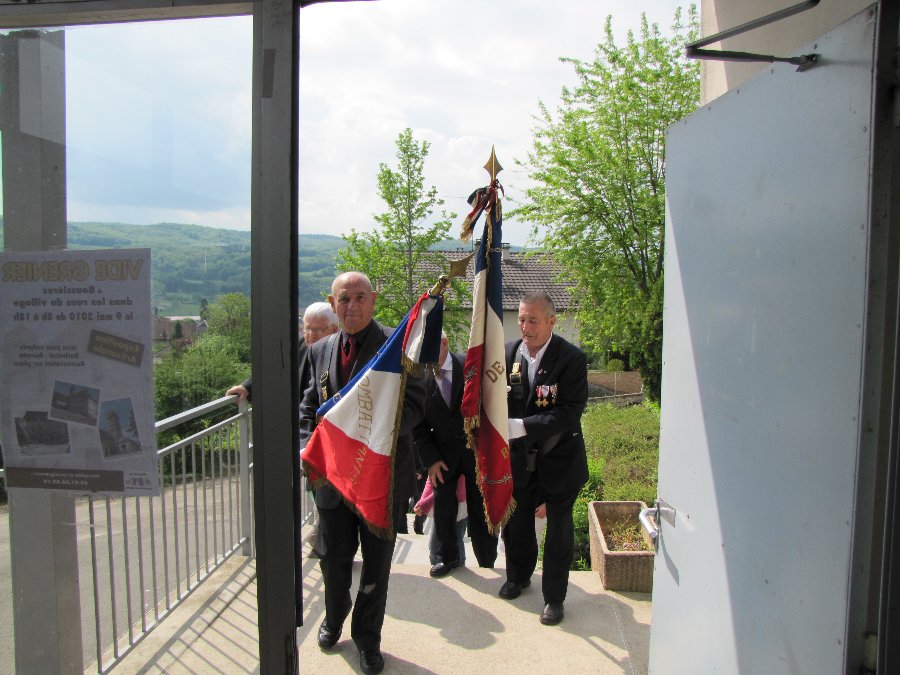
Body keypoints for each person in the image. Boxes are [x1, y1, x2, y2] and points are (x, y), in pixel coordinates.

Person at [299, 271, 425, 675]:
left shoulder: (397, 347)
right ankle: (334, 619)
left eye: (358, 297)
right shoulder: (320, 351)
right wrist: (306, 444)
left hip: (380, 482)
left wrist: (368, 438)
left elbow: (417, 405)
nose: (351, 306)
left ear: (373, 300)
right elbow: (306, 408)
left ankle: (368, 641)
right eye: (343, 299)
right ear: (333, 304)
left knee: (376, 568)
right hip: (332, 482)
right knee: (332, 560)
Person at [499, 291, 588, 627]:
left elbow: (569, 413)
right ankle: (518, 577)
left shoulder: (571, 359)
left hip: (560, 461)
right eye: (521, 319)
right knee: (517, 524)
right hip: (520, 461)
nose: (525, 326)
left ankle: (554, 598)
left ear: (552, 321)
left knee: (559, 533)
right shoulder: (508, 354)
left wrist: (521, 426)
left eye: (533, 320)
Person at [414, 333, 499, 577]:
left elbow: (490, 406)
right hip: (442, 456)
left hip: (476, 452)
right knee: (444, 508)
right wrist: (429, 459)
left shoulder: (471, 367)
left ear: (443, 344)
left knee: (481, 508)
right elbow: (418, 426)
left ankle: (487, 559)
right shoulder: (420, 377)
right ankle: (446, 558)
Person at [225, 301, 338, 402]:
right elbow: (272, 367)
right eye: (307, 329)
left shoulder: (342, 350)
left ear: (334, 330)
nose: (311, 336)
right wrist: (246, 387)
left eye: (318, 330)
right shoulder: (297, 345)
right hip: (300, 419)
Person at [413, 474, 467, 566]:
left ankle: (459, 570)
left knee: (455, 545)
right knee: (434, 548)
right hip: (440, 503)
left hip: (458, 504)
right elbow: (431, 478)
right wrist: (423, 500)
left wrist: (426, 502)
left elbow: (452, 484)